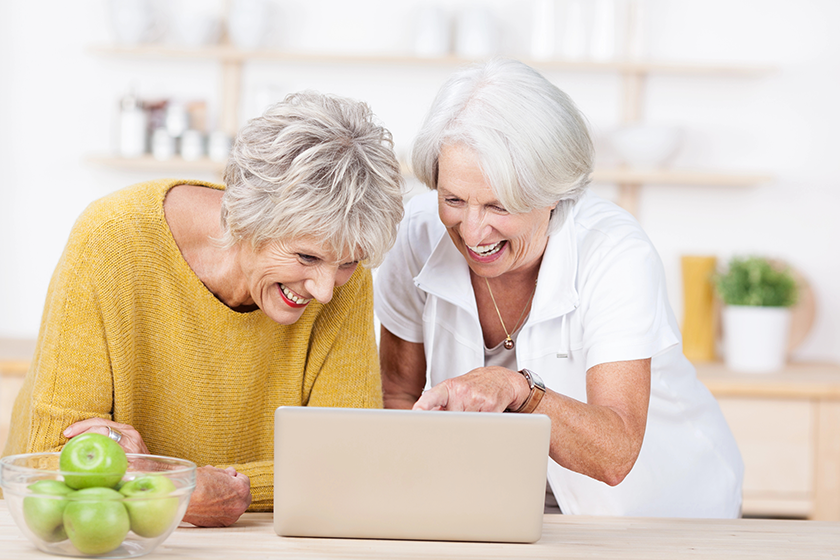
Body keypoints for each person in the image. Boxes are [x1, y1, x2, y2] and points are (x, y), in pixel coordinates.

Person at [3, 91, 405, 527]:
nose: (326, 290)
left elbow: (344, 464)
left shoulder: (342, 270)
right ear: (247, 219)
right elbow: (52, 460)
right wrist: (181, 487)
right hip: (89, 534)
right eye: (306, 258)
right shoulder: (110, 240)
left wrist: (167, 481)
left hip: (256, 543)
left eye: (347, 263)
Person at [374, 59, 743, 517]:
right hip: (504, 505)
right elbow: (397, 395)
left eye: (498, 205)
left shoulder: (614, 252)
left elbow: (615, 451)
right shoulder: (414, 234)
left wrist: (518, 390)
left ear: (553, 193)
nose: (471, 231)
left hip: (658, 511)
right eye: (453, 199)